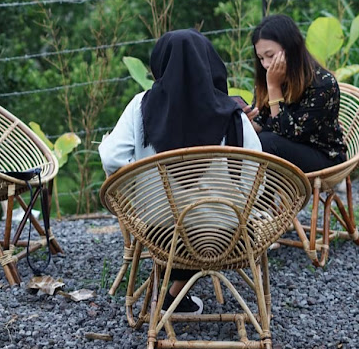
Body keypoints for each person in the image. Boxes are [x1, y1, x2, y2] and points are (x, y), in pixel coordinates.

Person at [99, 28, 262, 315]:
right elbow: (258, 177)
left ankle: (170, 294)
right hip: (229, 235)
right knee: (212, 216)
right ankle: (175, 296)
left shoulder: (141, 106)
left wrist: (141, 190)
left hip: (160, 233)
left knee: (175, 217)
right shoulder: (233, 114)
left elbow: (112, 158)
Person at [245, 14, 347, 173]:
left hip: (324, 157)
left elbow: (290, 134)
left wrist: (274, 87)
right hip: (284, 150)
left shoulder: (322, 83)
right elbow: (262, 122)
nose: (265, 64)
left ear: (291, 48)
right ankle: (248, 197)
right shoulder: (271, 78)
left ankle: (258, 198)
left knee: (266, 143)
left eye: (270, 56)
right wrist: (246, 121)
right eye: (261, 58)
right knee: (244, 141)